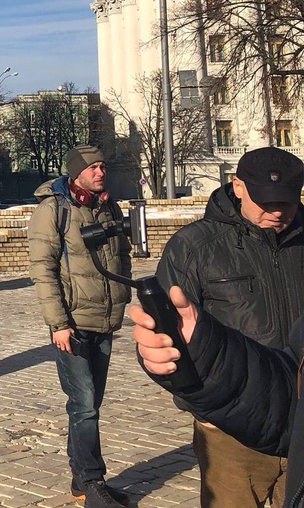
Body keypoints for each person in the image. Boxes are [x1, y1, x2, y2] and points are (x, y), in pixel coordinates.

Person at [134, 149, 304, 507]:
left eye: (286, 202)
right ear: (237, 186)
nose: (276, 211)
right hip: (232, 428)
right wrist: (158, 355)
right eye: (266, 201)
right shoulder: (194, 247)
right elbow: (166, 333)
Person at [28, 146, 131, 508]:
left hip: (103, 320)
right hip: (70, 323)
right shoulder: (54, 210)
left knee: (89, 404)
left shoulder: (107, 206)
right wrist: (57, 323)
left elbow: (122, 257)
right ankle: (92, 481)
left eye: (103, 165)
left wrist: (123, 298)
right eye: (94, 167)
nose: (101, 172)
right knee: (84, 403)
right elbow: (43, 269)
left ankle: (80, 479)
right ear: (77, 173)